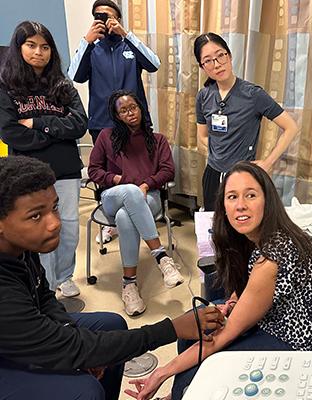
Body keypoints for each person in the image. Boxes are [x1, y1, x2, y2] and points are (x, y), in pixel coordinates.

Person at [0, 155, 225, 400]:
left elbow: (44, 298)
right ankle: (159, 256)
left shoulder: (22, 249)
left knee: (111, 325)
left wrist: (85, 348)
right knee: (85, 391)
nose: (54, 223)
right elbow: (57, 346)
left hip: (27, 333)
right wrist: (172, 328)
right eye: (35, 216)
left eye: (54, 207)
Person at [126, 161, 312, 400]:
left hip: (310, 350)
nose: (241, 205)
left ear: (268, 200)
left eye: (251, 195)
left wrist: (162, 373)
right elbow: (251, 287)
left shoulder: (274, 254)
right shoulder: (255, 237)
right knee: (194, 330)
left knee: (199, 370)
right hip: (280, 322)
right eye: (232, 197)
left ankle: (178, 394)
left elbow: (224, 335)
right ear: (223, 205)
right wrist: (234, 301)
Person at [0, 21, 87, 297]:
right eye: (31, 45)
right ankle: (44, 286)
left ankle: (64, 277)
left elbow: (80, 124)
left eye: (45, 46)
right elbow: (11, 132)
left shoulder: (62, 84)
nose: (39, 52)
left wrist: (39, 123)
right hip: (28, 175)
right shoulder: (7, 87)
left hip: (66, 169)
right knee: (39, 230)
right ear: (19, 48)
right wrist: (56, 132)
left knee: (68, 228)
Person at [69, 0, 161, 245]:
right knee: (106, 174)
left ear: (118, 19)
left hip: (136, 122)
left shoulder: (128, 45)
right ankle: (112, 223)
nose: (106, 21)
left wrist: (126, 34)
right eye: (100, 16)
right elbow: (74, 75)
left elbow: (154, 64)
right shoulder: (93, 48)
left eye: (111, 17)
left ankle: (141, 215)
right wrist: (86, 41)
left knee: (141, 168)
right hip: (102, 122)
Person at [88, 90, 184, 316]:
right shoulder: (105, 137)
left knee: (124, 217)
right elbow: (94, 170)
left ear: (141, 109)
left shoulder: (157, 140)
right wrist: (117, 179)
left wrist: (146, 185)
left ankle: (129, 284)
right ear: (117, 115)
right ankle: (161, 256)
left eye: (133, 107)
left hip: (147, 198)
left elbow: (168, 171)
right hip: (113, 196)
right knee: (128, 193)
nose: (130, 113)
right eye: (123, 110)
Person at [194, 32, 299, 211]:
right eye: (208, 60)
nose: (217, 64)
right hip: (212, 174)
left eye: (220, 55)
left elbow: (291, 127)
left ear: (230, 55)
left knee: (242, 229)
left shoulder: (253, 94)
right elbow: (202, 136)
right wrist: (219, 152)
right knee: (215, 228)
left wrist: (267, 163)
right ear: (202, 67)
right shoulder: (204, 96)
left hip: (243, 175)